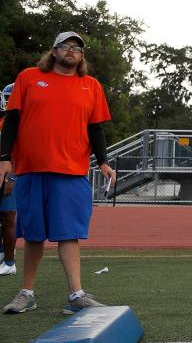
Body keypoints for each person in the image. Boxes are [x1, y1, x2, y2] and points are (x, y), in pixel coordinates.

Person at [0, 31, 117, 314]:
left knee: (68, 234)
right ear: (53, 51)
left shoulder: (91, 86)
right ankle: (26, 293)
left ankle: (76, 296)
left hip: (71, 171)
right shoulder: (28, 78)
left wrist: (103, 161)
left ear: (82, 56)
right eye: (65, 46)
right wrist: (4, 158)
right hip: (31, 169)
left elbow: (96, 128)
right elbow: (12, 120)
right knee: (34, 235)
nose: (71, 51)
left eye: (77, 48)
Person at [0, 84, 17, 277]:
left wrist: (11, 176)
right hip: (3, 171)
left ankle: (10, 262)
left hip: (13, 173)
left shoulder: (20, 122)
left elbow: (18, 152)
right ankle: (2, 253)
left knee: (8, 217)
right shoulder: (5, 121)